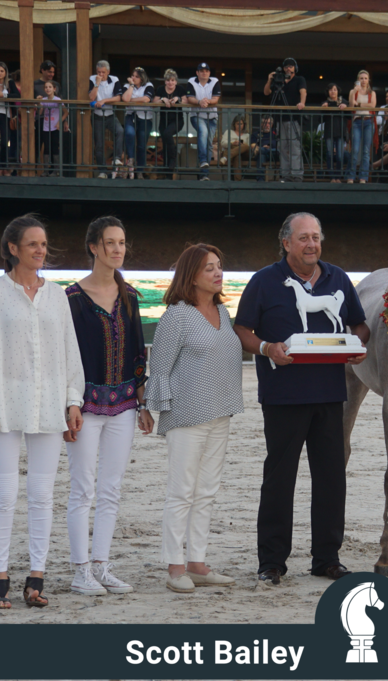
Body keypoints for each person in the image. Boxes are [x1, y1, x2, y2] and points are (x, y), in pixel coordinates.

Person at [233, 213, 370, 585]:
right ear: (286, 243)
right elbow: (241, 328)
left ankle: (327, 558)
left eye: (316, 238)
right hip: (283, 395)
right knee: (279, 478)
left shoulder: (338, 278)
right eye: (304, 238)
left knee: (331, 478)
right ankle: (272, 561)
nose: (312, 244)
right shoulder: (264, 281)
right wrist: (265, 347)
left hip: (330, 394)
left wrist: (359, 344)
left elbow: (359, 324)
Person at [0, 214, 85, 609]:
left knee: (42, 494)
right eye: (33, 244)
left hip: (51, 401)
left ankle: (36, 578)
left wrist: (74, 400)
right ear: (13, 248)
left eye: (44, 243)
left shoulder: (57, 295)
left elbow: (69, 350)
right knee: (4, 494)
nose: (41, 250)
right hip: (3, 401)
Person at [146, 244, 243, 593]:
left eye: (219, 266)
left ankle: (197, 563)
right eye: (209, 269)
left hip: (221, 413)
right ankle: (175, 567)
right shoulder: (177, 315)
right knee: (182, 492)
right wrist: (148, 408)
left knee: (207, 492)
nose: (218, 273)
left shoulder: (223, 313)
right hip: (186, 415)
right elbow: (159, 367)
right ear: (191, 275)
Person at [64, 216, 153, 597]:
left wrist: (143, 400)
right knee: (82, 489)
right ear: (93, 247)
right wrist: (69, 403)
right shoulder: (70, 299)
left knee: (112, 488)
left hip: (125, 406)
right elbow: (64, 357)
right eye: (110, 242)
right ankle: (79, 570)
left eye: (121, 242)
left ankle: (101, 565)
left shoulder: (130, 296)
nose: (118, 249)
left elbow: (137, 353)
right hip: (82, 407)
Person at [264, 57, 307, 182]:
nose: (288, 68)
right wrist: (269, 80)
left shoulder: (299, 79)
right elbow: (267, 92)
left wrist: (302, 103)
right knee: (283, 148)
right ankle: (286, 175)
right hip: (280, 119)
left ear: (295, 68)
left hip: (294, 118)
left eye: (291, 66)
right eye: (286, 66)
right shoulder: (279, 80)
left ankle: (297, 175)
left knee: (295, 147)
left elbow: (303, 92)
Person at [185, 62, 221, 182]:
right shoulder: (191, 81)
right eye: (201, 71)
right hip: (197, 115)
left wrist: (207, 102)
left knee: (209, 144)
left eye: (206, 71)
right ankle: (203, 161)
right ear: (197, 73)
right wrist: (200, 102)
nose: (204, 72)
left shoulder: (215, 81)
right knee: (203, 133)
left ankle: (204, 175)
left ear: (209, 73)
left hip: (212, 116)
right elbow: (190, 98)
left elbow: (216, 99)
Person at [89, 61, 124, 179]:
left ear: (108, 72)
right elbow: (91, 97)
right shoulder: (93, 79)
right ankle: (102, 172)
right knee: (99, 144)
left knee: (120, 131)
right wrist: (97, 84)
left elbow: (118, 98)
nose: (101, 74)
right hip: (97, 116)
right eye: (99, 72)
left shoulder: (114, 79)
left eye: (103, 72)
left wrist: (104, 101)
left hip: (110, 114)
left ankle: (117, 158)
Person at [122, 67, 154, 180]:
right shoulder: (127, 86)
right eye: (133, 76)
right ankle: (131, 159)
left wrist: (131, 100)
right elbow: (125, 98)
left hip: (145, 117)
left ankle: (140, 171)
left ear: (142, 78)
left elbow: (146, 99)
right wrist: (131, 85)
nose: (134, 78)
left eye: (136, 76)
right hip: (131, 115)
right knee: (129, 133)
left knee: (141, 145)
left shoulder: (148, 85)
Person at [154, 69, 185, 180]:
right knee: (165, 145)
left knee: (167, 134)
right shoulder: (160, 89)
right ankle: (168, 175)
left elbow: (186, 101)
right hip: (163, 121)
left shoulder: (180, 89)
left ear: (176, 81)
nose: (170, 83)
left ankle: (173, 158)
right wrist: (163, 99)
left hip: (177, 120)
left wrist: (178, 99)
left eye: (172, 80)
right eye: (168, 80)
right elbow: (154, 103)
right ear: (165, 81)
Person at [347, 70, 376, 184]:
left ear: (368, 80)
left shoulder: (372, 93)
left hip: (368, 121)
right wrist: (354, 92)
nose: (363, 80)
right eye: (361, 78)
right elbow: (350, 105)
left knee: (366, 151)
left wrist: (358, 104)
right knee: (354, 149)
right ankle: (351, 176)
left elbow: (372, 106)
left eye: (365, 78)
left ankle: (363, 177)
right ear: (358, 80)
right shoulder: (353, 91)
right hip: (357, 121)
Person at [38, 79, 69, 177]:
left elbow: (66, 112)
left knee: (55, 147)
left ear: (54, 89)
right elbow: (40, 113)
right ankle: (46, 170)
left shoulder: (58, 100)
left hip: (55, 127)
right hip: (46, 127)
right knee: (46, 148)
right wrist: (39, 103)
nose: (48, 89)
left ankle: (56, 171)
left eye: (50, 87)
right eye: (46, 87)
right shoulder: (44, 100)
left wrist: (60, 122)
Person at [320, 83, 348, 183]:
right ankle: (332, 177)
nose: (333, 91)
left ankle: (338, 177)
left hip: (340, 131)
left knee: (340, 156)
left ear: (338, 91)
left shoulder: (343, 102)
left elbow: (349, 116)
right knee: (329, 155)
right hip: (329, 132)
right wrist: (323, 109)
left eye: (335, 89)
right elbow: (320, 119)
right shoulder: (325, 103)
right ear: (328, 92)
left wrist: (346, 106)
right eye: (331, 89)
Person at [219, 114, 251, 179]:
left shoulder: (247, 135)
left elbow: (248, 147)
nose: (239, 126)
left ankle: (226, 156)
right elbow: (222, 143)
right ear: (234, 124)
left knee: (245, 146)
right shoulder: (229, 132)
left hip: (244, 154)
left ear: (244, 125)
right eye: (237, 124)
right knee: (237, 156)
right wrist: (232, 143)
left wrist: (241, 145)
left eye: (241, 124)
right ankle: (237, 182)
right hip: (235, 154)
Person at [251, 115, 278, 182]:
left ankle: (260, 179)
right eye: (265, 123)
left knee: (275, 151)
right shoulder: (256, 134)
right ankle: (261, 179)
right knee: (261, 153)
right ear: (261, 124)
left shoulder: (276, 133)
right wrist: (261, 148)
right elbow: (253, 146)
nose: (267, 125)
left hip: (274, 153)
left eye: (269, 123)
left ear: (272, 124)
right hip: (261, 154)